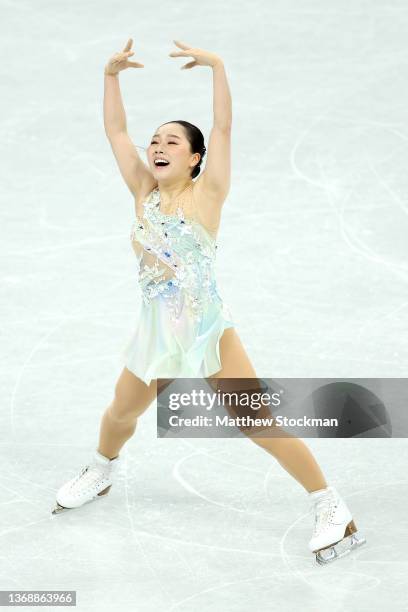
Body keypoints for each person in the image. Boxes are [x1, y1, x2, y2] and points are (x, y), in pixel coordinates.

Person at [52, 38, 366, 565]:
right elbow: (114, 130)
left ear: (195, 158)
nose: (158, 146)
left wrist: (218, 66)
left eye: (172, 141)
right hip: (157, 331)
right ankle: (101, 470)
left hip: (204, 329)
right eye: (156, 140)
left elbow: (223, 127)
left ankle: (332, 507)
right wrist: (110, 75)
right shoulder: (142, 192)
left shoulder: (208, 193)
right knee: (120, 414)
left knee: (257, 422)